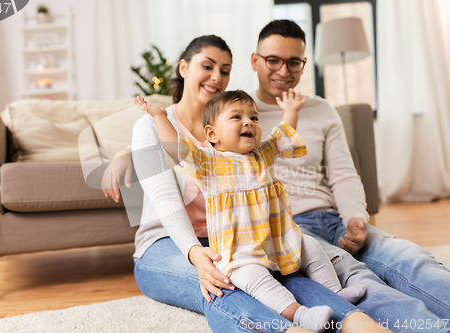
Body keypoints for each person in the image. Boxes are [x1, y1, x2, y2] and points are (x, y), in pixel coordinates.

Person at [104, 35, 392, 333]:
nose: (217, 77)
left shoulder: (237, 136)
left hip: (238, 241)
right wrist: (194, 253)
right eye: (207, 65)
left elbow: (280, 138)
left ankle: (355, 323)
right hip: (168, 244)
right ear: (184, 67)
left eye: (225, 70)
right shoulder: (155, 128)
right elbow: (165, 199)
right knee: (224, 284)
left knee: (293, 275)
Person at [248, 19, 450, 332]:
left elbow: (343, 174)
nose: (283, 71)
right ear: (255, 61)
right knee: (356, 278)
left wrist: (355, 217)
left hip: (333, 217)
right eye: (273, 60)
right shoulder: (239, 115)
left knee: (410, 257)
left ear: (304, 64)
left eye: (294, 62)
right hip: (290, 229)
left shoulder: (321, 109)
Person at [133, 89, 367, 331]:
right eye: (237, 117)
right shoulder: (208, 163)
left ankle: (337, 295)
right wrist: (160, 116)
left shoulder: (261, 155)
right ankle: (300, 315)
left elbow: (282, 136)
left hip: (276, 242)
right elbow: (176, 148)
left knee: (313, 248)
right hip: (239, 254)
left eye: (254, 118)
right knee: (257, 281)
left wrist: (291, 111)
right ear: (212, 133)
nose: (248, 122)